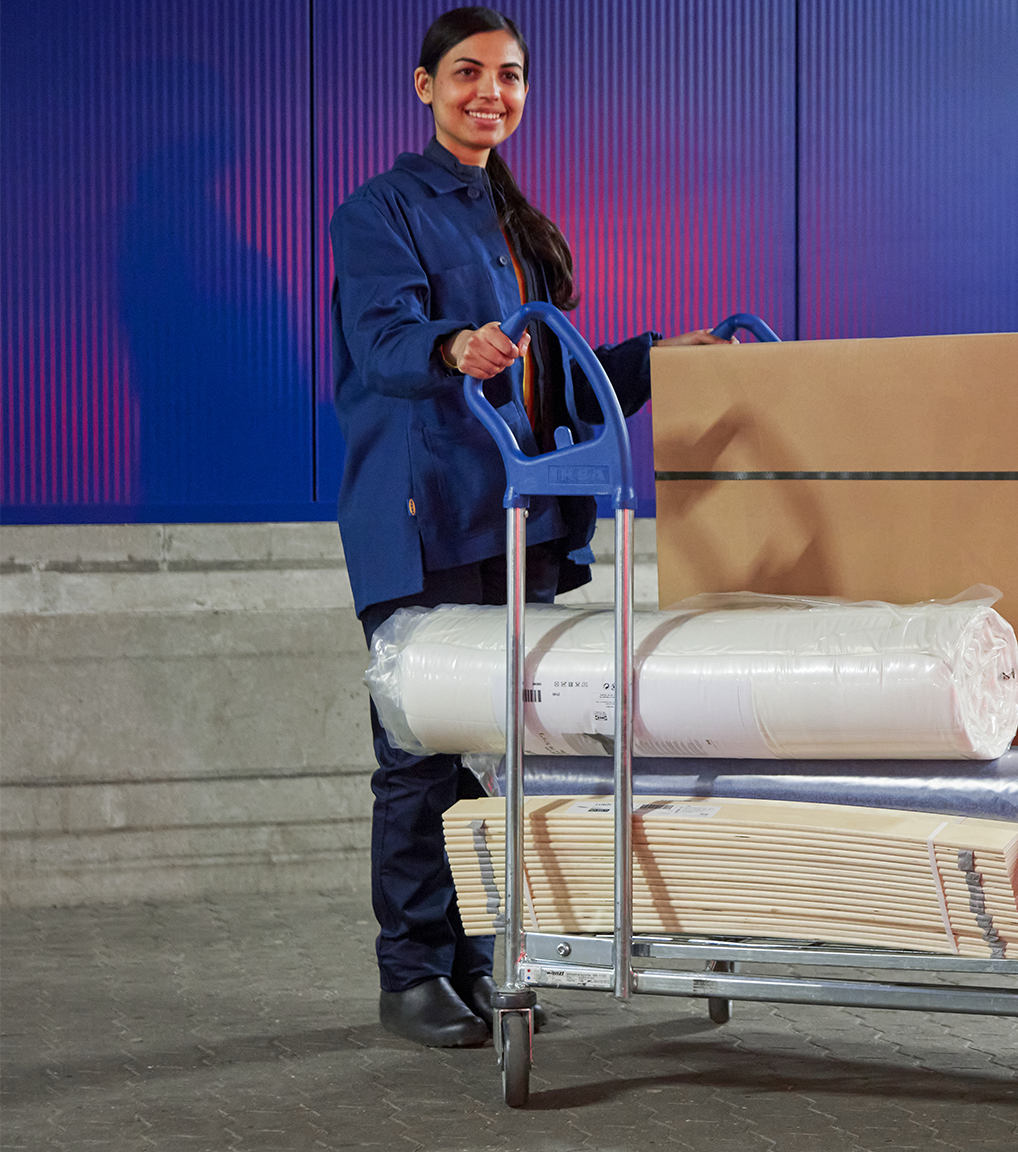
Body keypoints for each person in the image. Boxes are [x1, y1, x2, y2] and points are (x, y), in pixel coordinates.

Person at [329, 5, 725, 1048]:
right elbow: (384, 344)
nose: (487, 93)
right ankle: (410, 971)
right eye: (465, 73)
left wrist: (655, 358)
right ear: (424, 87)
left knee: (500, 756)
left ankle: (472, 956)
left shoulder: (518, 224)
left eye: (507, 76)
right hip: (425, 519)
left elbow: (555, 377)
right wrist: (454, 345)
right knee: (419, 755)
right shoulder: (380, 212)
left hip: (520, 521)